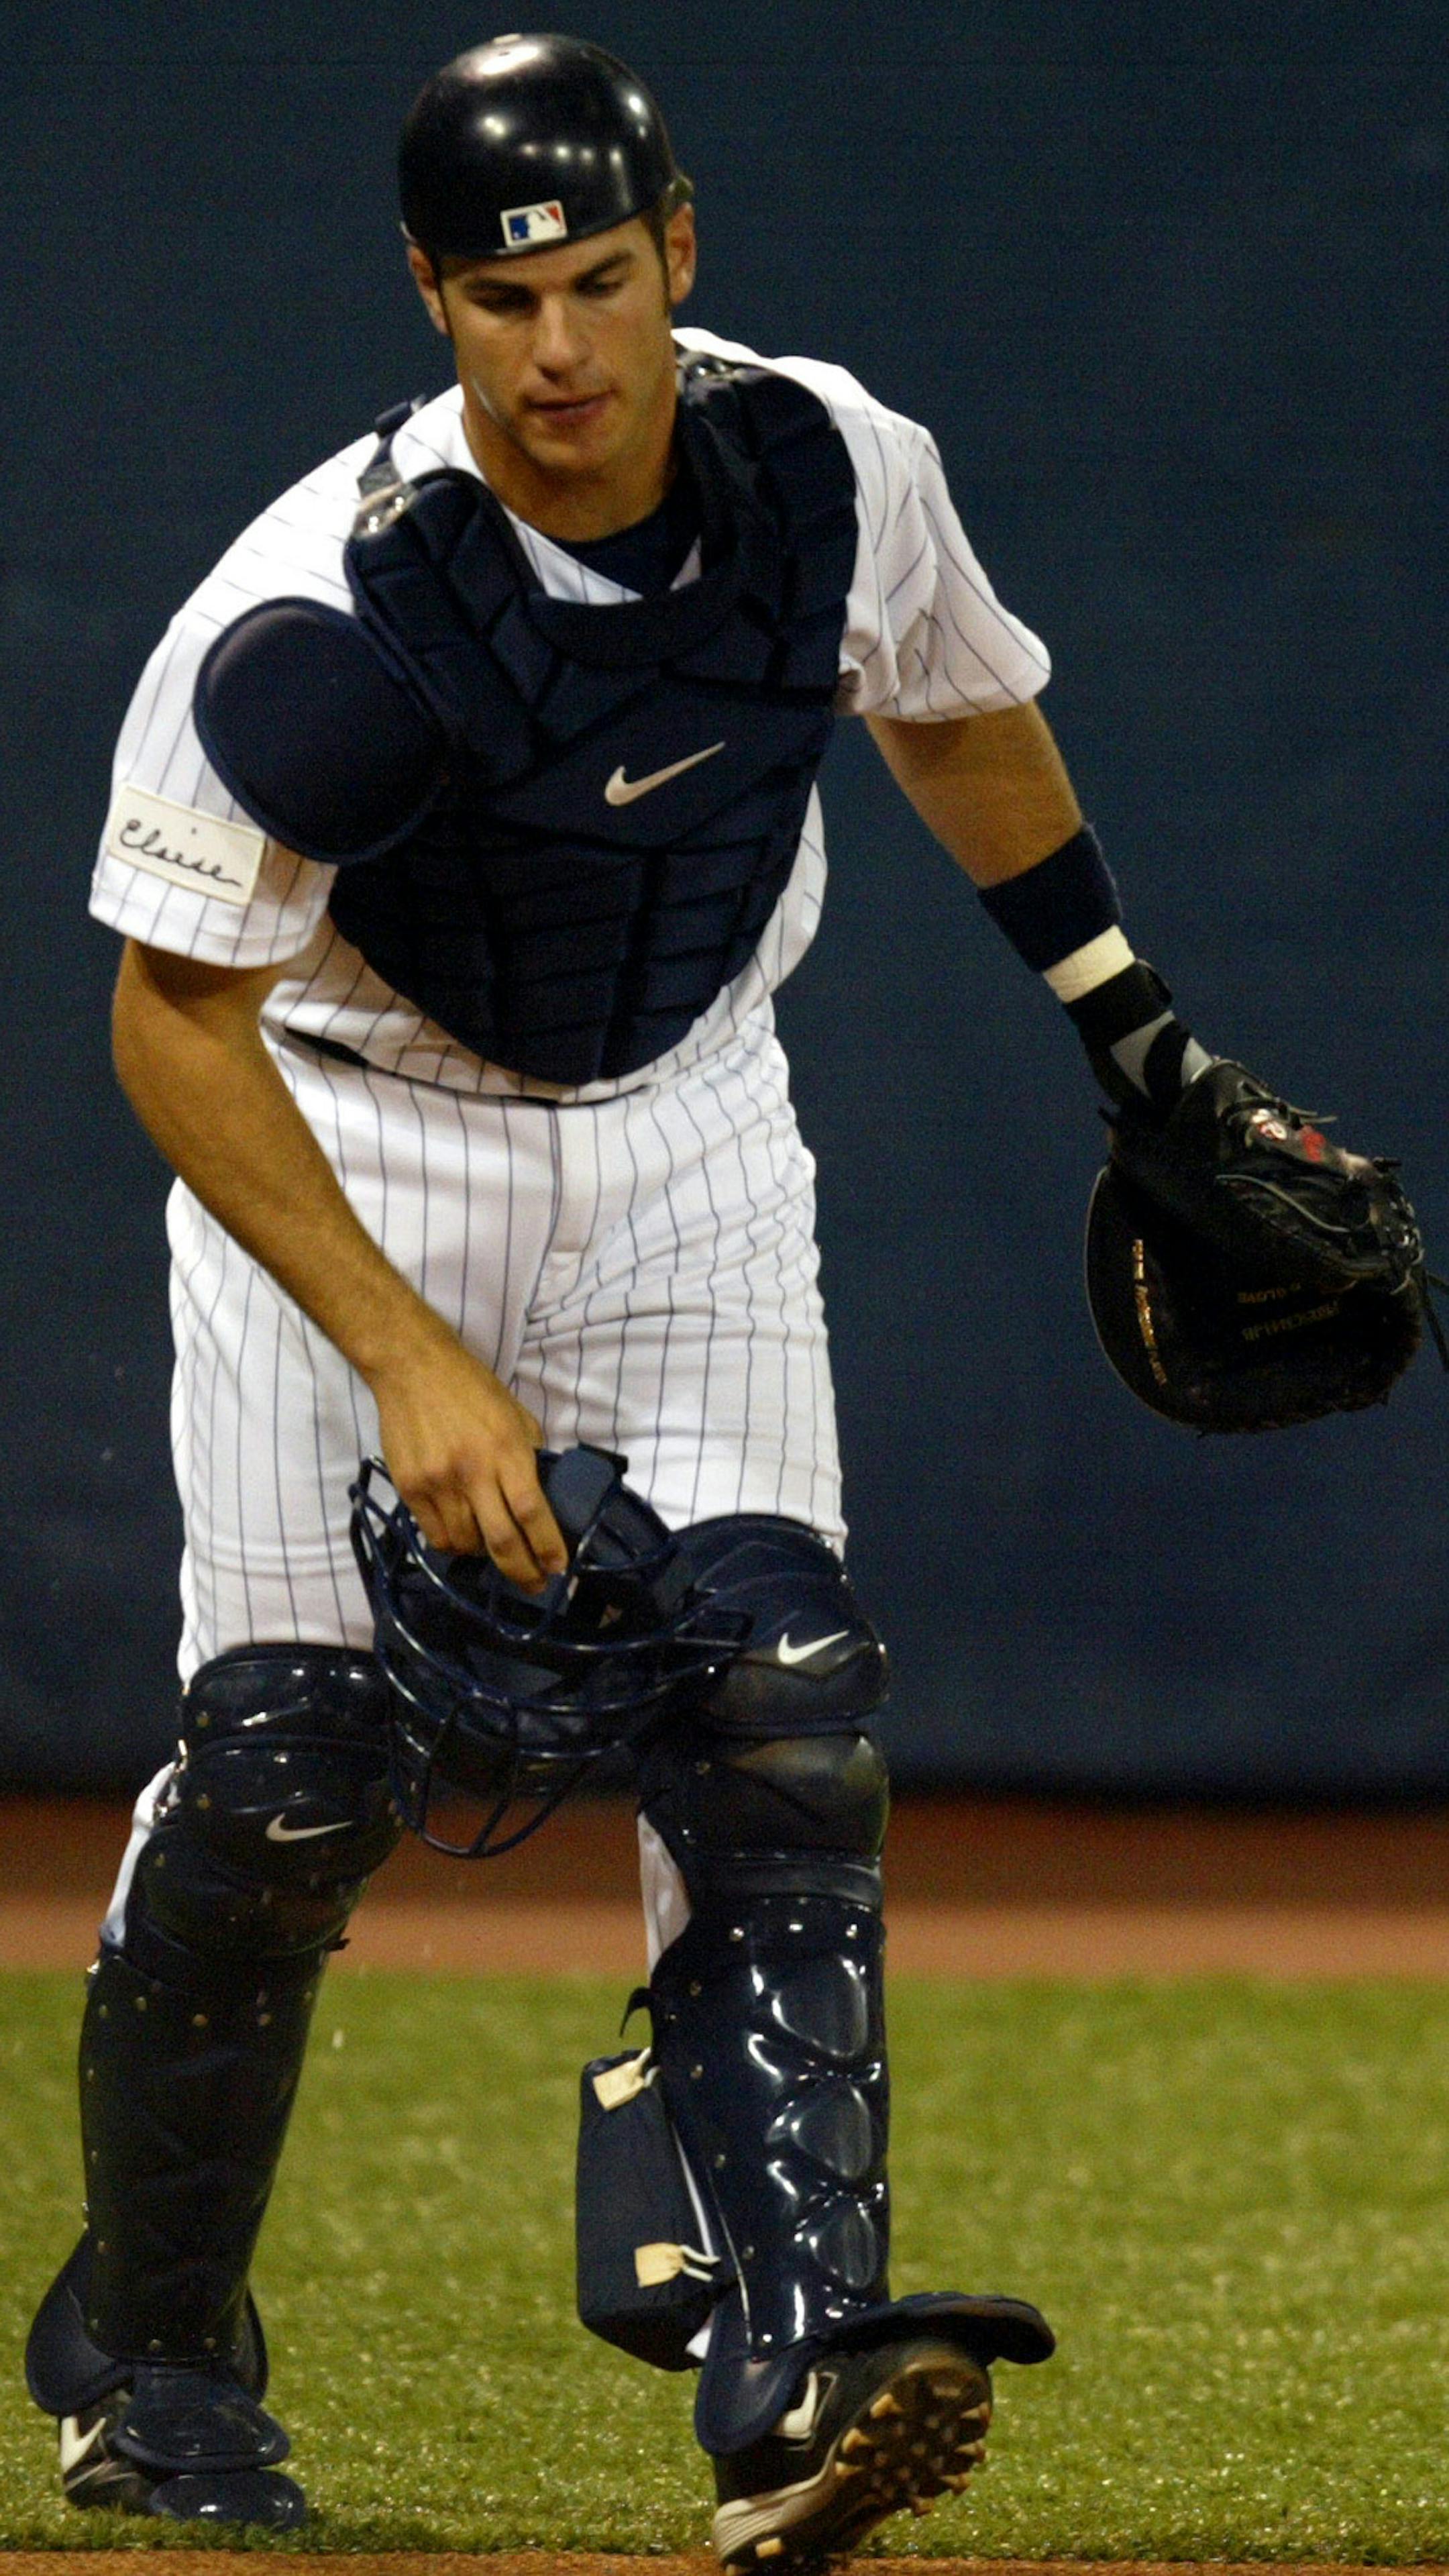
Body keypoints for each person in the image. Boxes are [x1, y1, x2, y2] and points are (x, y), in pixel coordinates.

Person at [28, 30, 1248, 2564]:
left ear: (679, 252)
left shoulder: (824, 463)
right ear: (431, 297)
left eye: (598, 281)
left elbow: (964, 714)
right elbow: (174, 1023)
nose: (557, 348)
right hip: (346, 1149)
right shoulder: (327, 612)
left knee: (776, 1715)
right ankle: (148, 2356)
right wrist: (401, 1352)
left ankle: (785, 2379)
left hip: (683, 1134)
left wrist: (1136, 1034)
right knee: (287, 1783)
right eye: (502, 298)